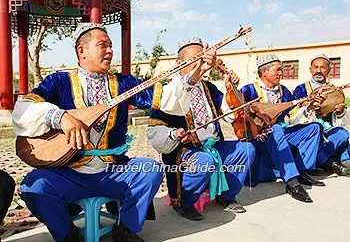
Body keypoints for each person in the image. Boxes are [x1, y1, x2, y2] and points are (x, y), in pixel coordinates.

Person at [12, 22, 163, 242]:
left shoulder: (124, 83)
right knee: (33, 185)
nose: (111, 51)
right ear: (81, 50)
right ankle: (67, 234)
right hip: (69, 173)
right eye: (103, 45)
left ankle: (126, 229)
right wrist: (60, 117)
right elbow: (22, 110)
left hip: (113, 170)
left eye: (111, 45)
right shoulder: (59, 81)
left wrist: (191, 79)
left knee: (150, 169)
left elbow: (162, 99)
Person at [147, 37, 257, 221]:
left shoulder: (209, 87)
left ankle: (226, 196)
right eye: (194, 60)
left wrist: (231, 89)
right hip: (184, 151)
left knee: (247, 149)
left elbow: (229, 115)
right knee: (204, 160)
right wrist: (174, 134)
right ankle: (184, 202)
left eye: (203, 59)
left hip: (213, 145)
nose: (200, 64)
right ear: (179, 62)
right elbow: (155, 131)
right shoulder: (169, 90)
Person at [240, 54, 325, 203]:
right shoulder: (249, 90)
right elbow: (238, 115)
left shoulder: (283, 91)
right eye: (277, 70)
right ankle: (292, 181)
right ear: (264, 71)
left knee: (314, 128)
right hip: (258, 138)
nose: (281, 73)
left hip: (279, 135)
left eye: (282, 70)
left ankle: (300, 170)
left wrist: (308, 105)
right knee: (277, 130)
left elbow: (292, 117)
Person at [293, 54, 350, 176]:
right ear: (310, 70)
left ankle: (319, 159)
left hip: (328, 132)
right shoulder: (301, 89)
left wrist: (340, 112)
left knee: (342, 134)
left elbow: (338, 118)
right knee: (313, 138)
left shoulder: (334, 90)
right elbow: (293, 118)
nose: (319, 71)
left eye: (323, 68)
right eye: (316, 67)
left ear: (329, 70)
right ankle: (328, 161)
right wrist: (309, 107)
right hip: (308, 132)